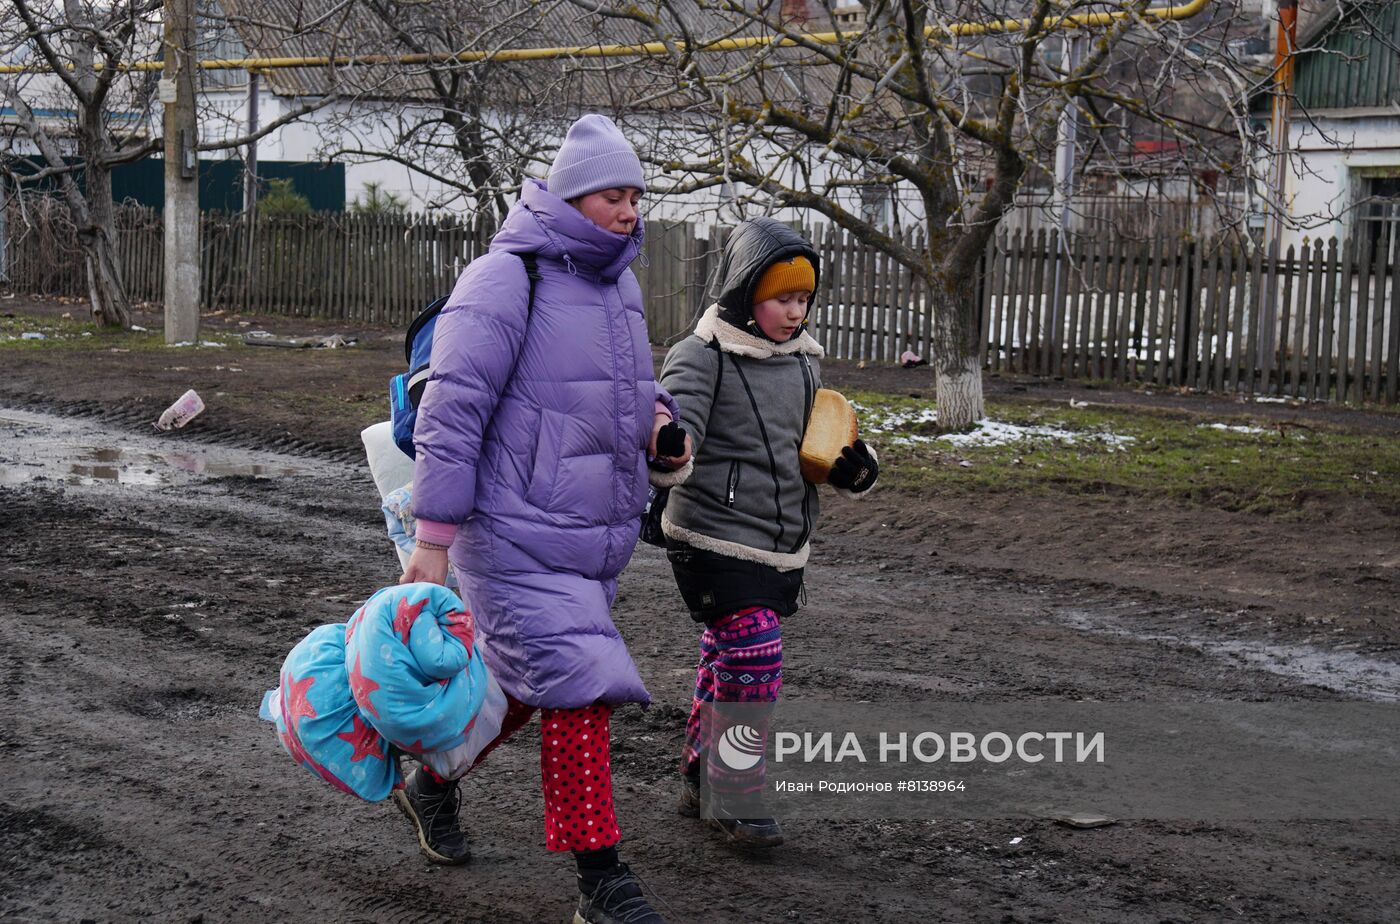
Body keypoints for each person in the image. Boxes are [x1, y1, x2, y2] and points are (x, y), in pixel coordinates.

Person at [398, 113, 690, 924]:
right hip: (512, 534)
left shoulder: (618, 285)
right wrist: (432, 543)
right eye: (612, 195)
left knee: (520, 690)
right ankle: (603, 883)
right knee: (578, 693)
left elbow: (627, 394)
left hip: (589, 542)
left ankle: (431, 785)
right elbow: (451, 414)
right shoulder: (504, 277)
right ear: (569, 197)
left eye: (636, 195)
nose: (630, 210)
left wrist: (663, 432)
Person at [657, 216, 879, 847]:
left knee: (728, 653)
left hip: (779, 542)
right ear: (744, 293)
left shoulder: (804, 364)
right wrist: (670, 446)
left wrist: (853, 467)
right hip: (710, 535)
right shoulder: (702, 356)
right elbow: (676, 417)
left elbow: (818, 446)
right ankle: (734, 790)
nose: (795, 311)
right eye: (783, 297)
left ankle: (701, 773)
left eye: (804, 299)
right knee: (756, 652)